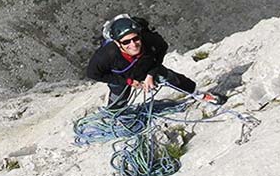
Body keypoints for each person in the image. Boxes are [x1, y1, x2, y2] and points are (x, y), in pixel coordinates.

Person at [86, 15, 226, 108]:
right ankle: (116, 115)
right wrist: (127, 82)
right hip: (121, 76)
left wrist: (151, 74)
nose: (133, 44)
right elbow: (93, 74)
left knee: (173, 79)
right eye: (126, 42)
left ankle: (200, 95)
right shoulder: (106, 56)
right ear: (118, 43)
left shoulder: (151, 40)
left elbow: (162, 49)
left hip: (147, 68)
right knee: (118, 97)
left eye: (136, 39)